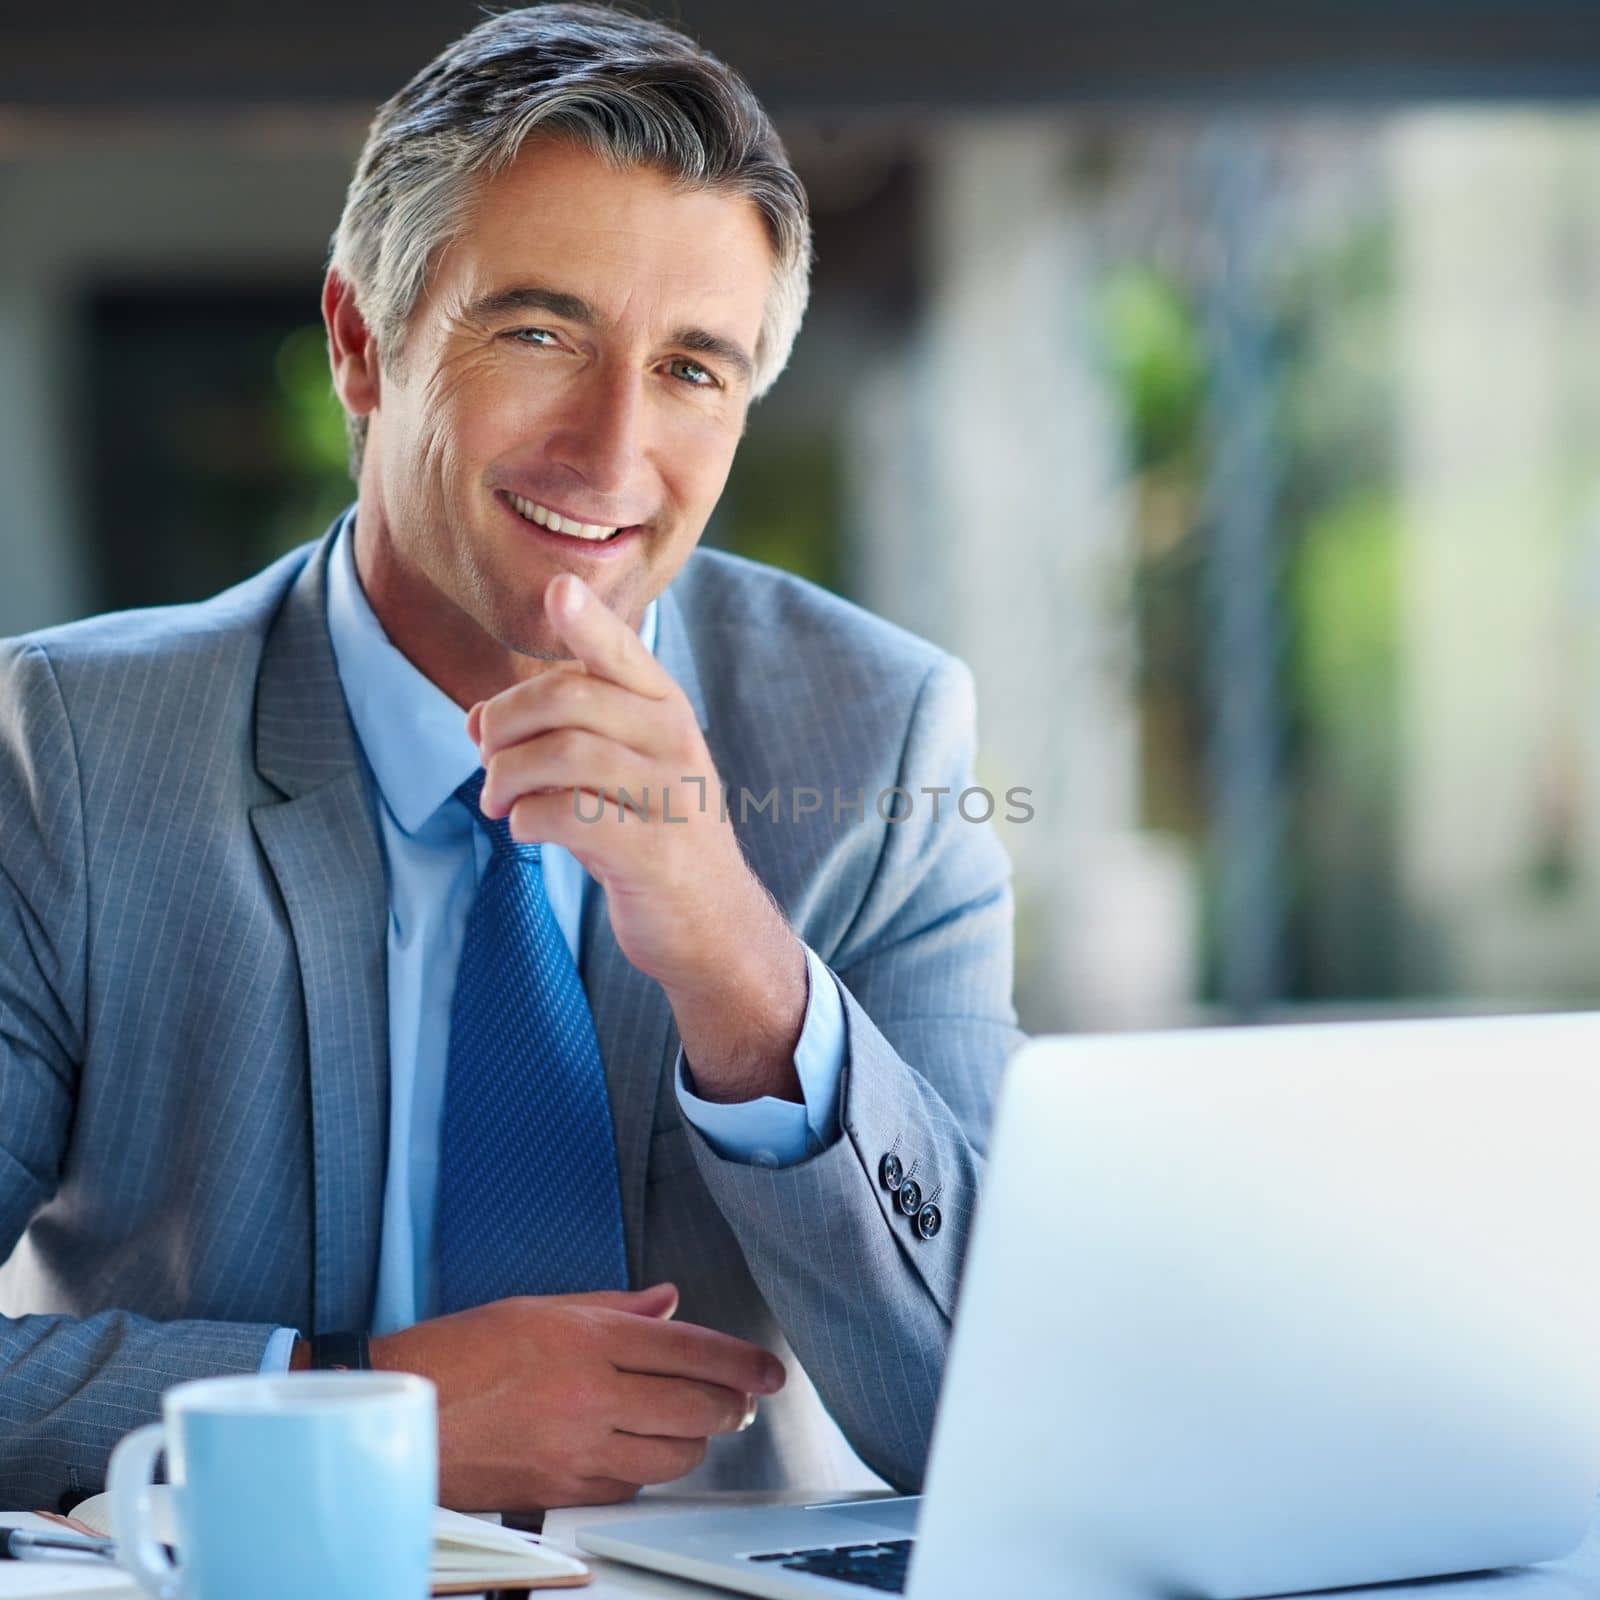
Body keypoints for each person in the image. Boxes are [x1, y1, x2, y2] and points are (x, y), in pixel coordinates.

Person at [0, 3, 1023, 1515]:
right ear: (363, 343)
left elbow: (997, 1406)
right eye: (540, 332)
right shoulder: (68, 757)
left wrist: (745, 974)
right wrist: (358, 1406)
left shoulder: (878, 742)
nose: (611, 453)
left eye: (693, 369)